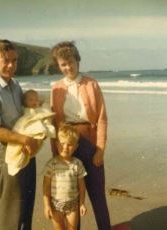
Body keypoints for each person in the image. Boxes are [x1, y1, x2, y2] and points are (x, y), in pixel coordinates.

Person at [0, 40, 40, 230]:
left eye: (15, 60)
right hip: (7, 154)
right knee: (12, 213)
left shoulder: (15, 85)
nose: (11, 66)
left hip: (26, 151)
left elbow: (25, 111)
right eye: (6, 61)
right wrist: (25, 139)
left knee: (26, 209)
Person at [50, 41, 111, 230]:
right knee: (71, 196)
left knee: (97, 194)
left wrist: (100, 149)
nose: (68, 67)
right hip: (66, 145)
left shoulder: (92, 84)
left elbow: (101, 119)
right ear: (59, 66)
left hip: (90, 143)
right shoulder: (56, 88)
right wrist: (56, 155)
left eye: (71, 62)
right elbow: (53, 124)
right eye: (63, 64)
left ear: (78, 60)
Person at [43, 124, 87, 230]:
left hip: (73, 205)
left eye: (70, 144)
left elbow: (82, 186)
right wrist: (47, 205)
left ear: (76, 146)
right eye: (62, 143)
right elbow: (46, 187)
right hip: (55, 205)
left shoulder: (77, 164)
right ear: (57, 144)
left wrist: (82, 203)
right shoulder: (51, 164)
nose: (65, 147)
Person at [5, 89, 56, 176]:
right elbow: (24, 121)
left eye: (36, 99)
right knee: (19, 147)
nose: (34, 102)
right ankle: (17, 160)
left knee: (37, 137)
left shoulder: (38, 108)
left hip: (35, 130)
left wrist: (41, 105)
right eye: (31, 100)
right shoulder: (24, 109)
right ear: (25, 102)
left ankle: (23, 156)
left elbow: (46, 111)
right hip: (25, 127)